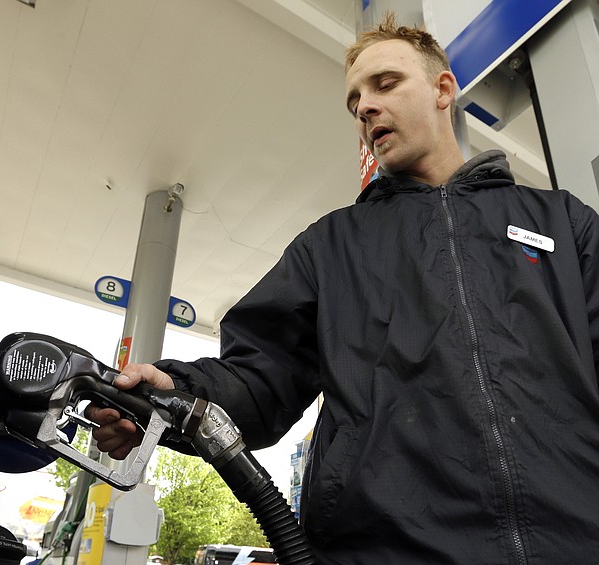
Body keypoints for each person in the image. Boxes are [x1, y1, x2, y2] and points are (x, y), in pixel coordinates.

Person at [89, 13, 599, 564]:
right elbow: (259, 380)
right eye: (354, 100)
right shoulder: (331, 246)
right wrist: (168, 393)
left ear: (443, 90)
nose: (365, 107)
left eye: (385, 84)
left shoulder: (562, 224)